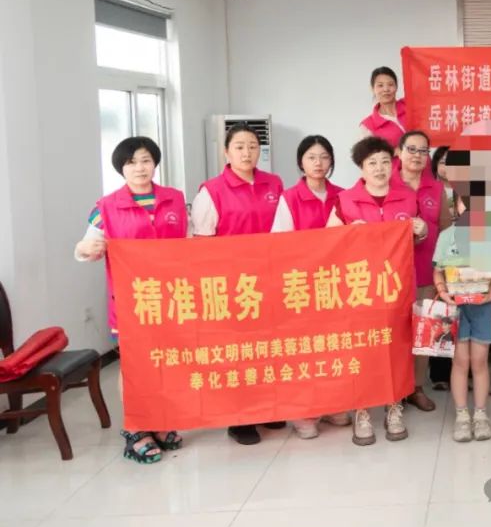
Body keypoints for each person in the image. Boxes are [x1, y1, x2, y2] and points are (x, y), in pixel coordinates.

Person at [75, 137, 188, 464]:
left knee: (166, 361)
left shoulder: (175, 199)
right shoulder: (106, 207)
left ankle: (161, 420)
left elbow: (190, 243)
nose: (140, 168)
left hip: (172, 298)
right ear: (121, 168)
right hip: (131, 301)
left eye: (146, 160)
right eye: (131, 162)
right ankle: (136, 429)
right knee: (135, 366)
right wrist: (87, 249)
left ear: (155, 163)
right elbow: (85, 246)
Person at [329, 136, 429, 445]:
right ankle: (362, 411)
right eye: (372, 162)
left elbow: (416, 236)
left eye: (385, 161)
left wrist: (422, 230)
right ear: (361, 167)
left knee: (397, 347)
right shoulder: (345, 200)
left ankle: (394, 406)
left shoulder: (407, 197)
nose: (379, 168)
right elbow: (329, 241)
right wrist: (349, 233)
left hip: (397, 286)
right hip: (360, 288)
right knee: (363, 348)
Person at [192, 123, 285, 445]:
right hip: (233, 285)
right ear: (226, 152)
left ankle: (268, 408)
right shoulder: (212, 191)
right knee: (239, 352)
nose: (247, 153)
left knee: (268, 346)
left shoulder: (274, 183)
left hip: (270, 279)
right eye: (239, 147)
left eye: (253, 146)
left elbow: (283, 231)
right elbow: (203, 244)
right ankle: (240, 418)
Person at [271, 135, 350, 439]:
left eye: (324, 157)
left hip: (336, 283)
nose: (318, 163)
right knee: (304, 349)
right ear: (300, 162)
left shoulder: (343, 196)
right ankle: (304, 412)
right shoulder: (289, 198)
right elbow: (280, 244)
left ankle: (333, 404)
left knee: (333, 346)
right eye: (311, 157)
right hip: (301, 283)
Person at [395, 130, 451, 413]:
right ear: (399, 151)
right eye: (411, 149)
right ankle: (396, 389)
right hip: (392, 275)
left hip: (427, 272)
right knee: (396, 333)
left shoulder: (436, 189)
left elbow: (447, 232)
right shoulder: (386, 185)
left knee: (423, 331)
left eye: (423, 151)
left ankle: (416, 387)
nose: (417, 156)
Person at [432, 218, 491, 442]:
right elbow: (438, 271)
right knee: (460, 361)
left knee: (479, 361)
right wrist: (443, 292)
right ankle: (461, 416)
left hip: (483, 306)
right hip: (456, 307)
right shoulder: (446, 236)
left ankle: (480, 414)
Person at [428, 146, 454, 392]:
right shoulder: (430, 190)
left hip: (464, 261)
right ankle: (439, 373)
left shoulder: (469, 190)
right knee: (440, 313)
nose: (448, 166)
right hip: (437, 256)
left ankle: (464, 370)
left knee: (463, 311)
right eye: (444, 161)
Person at [358, 66, 407, 144]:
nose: (386, 89)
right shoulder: (368, 126)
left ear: (396, 86)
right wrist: (396, 150)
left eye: (390, 84)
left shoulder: (409, 104)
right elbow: (367, 151)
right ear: (372, 89)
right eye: (380, 85)